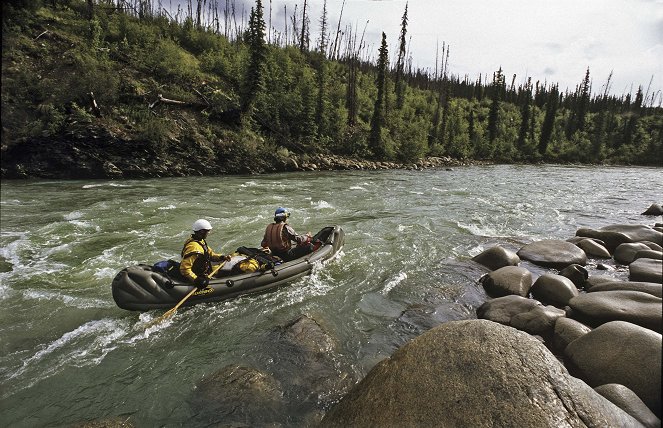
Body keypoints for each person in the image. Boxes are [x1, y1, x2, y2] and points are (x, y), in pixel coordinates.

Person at [180, 219, 230, 288]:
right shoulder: (194, 247)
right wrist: (196, 280)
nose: (209, 233)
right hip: (197, 276)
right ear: (202, 231)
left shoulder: (200, 241)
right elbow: (184, 269)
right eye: (208, 231)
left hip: (204, 271)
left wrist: (221, 257)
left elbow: (210, 254)